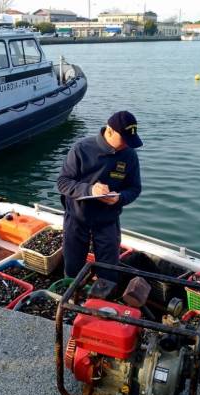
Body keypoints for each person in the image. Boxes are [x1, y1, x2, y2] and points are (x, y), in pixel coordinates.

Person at [57, 111, 142, 281]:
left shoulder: (129, 154)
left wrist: (120, 198)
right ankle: (72, 295)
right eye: (124, 139)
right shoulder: (81, 149)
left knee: (109, 270)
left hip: (108, 221)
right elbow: (63, 182)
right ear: (109, 131)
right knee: (73, 267)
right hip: (77, 219)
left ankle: (103, 299)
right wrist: (90, 190)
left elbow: (134, 188)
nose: (127, 144)